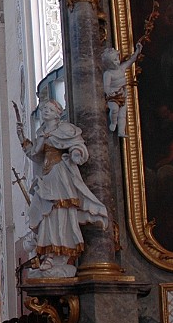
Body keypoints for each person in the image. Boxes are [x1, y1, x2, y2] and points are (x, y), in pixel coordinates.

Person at [14, 100, 108, 278]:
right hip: (47, 177)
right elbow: (34, 154)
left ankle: (57, 255)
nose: (45, 112)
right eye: (43, 110)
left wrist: (76, 153)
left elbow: (78, 145)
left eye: (49, 109)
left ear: (58, 113)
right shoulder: (41, 132)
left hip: (61, 175)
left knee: (61, 213)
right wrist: (21, 137)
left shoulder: (66, 130)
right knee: (43, 214)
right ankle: (50, 253)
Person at [102, 42, 142, 138]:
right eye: (114, 61)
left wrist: (138, 51)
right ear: (108, 64)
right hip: (113, 96)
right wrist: (110, 92)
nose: (117, 62)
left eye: (117, 59)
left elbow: (132, 60)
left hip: (123, 93)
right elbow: (106, 87)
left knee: (122, 114)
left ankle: (121, 131)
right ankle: (113, 122)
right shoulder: (108, 74)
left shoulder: (121, 68)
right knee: (115, 109)